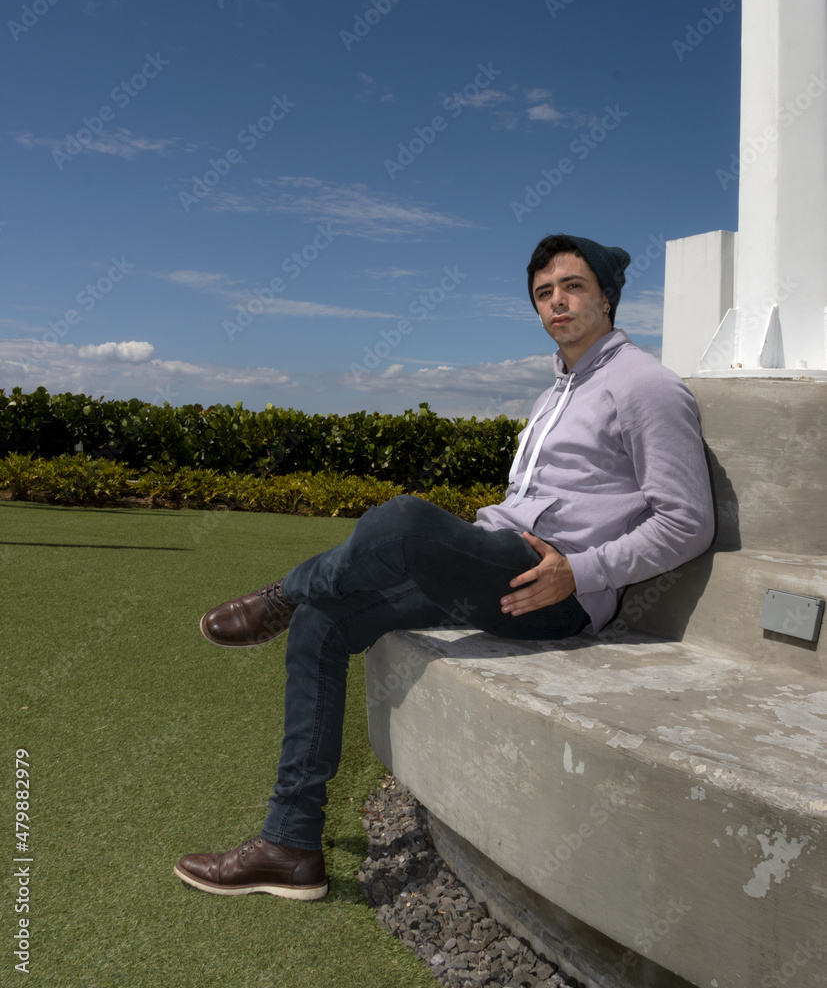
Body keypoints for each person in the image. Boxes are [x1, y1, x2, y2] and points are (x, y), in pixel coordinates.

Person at [173, 233, 715, 900]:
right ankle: (289, 845)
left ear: (606, 296)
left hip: (552, 591)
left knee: (400, 519)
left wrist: (582, 571)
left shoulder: (647, 386)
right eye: (543, 292)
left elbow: (686, 522)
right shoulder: (554, 393)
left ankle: (279, 594)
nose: (557, 301)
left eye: (572, 286)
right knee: (325, 620)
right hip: (496, 563)